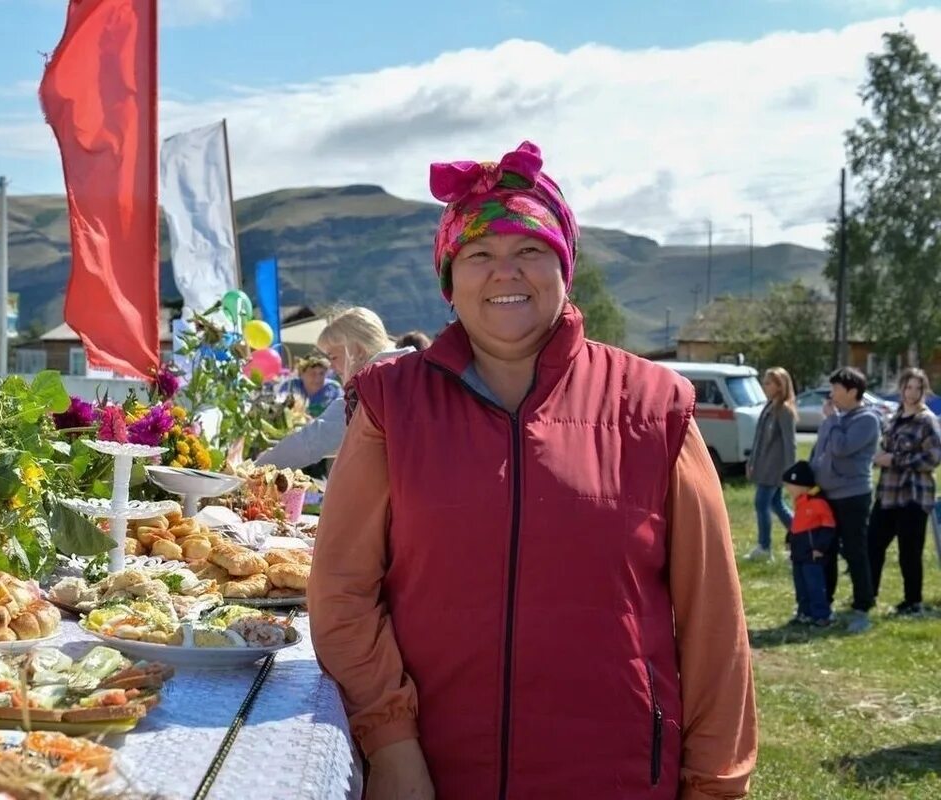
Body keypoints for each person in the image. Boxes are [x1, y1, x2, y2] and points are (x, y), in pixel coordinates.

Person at [309, 142, 756, 799]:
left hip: (618, 775)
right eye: (480, 255)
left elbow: (714, 621)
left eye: (529, 251)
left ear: (563, 266)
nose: (504, 273)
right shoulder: (390, 405)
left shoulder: (654, 408)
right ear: (449, 277)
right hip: (435, 774)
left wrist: (716, 783)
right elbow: (341, 589)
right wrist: (391, 744)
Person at [253, 307, 412, 470]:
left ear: (357, 351)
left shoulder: (369, 390)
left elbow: (312, 441)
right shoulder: (411, 373)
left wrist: (254, 470)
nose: (332, 367)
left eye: (334, 357)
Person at [809, 366, 879, 634]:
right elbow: (821, 450)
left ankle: (863, 605)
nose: (832, 393)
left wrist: (832, 420)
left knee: (854, 550)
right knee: (825, 551)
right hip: (827, 495)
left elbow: (840, 448)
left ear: (852, 391)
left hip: (853, 496)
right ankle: (823, 604)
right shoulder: (835, 418)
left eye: (837, 389)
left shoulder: (867, 420)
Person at [868, 368, 941, 616]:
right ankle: (868, 595)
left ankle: (913, 601)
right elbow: (883, 449)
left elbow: (933, 458)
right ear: (901, 389)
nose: (912, 393)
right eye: (908, 387)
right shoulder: (894, 418)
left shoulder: (927, 420)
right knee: (873, 543)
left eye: (917, 388)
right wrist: (880, 458)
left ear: (924, 391)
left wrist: (896, 460)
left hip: (914, 495)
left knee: (909, 551)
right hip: (888, 493)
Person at [746, 367, 798, 560]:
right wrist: (751, 462)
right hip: (763, 466)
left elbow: (789, 443)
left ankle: (764, 547)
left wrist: (790, 472)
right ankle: (800, 533)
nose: (764, 386)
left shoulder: (785, 410)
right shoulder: (769, 407)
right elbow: (759, 439)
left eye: (768, 383)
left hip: (775, 469)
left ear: (780, 385)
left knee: (761, 503)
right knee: (776, 504)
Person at [782, 460, 837, 627]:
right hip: (799, 552)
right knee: (801, 585)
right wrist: (789, 538)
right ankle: (803, 612)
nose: (788, 489)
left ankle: (822, 615)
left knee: (815, 584)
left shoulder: (818, 503)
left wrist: (820, 547)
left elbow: (828, 526)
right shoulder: (800, 502)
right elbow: (797, 524)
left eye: (790, 485)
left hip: (812, 553)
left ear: (801, 485)